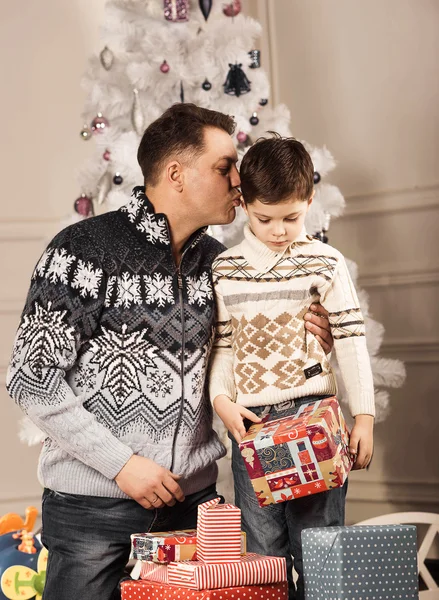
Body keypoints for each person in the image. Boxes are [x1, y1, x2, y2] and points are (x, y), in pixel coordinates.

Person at [6, 105, 333, 600]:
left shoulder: (223, 267)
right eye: (225, 168)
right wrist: (121, 464)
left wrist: (311, 336)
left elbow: (248, 368)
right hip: (94, 510)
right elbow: (31, 378)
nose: (239, 181)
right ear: (176, 174)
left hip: (194, 511)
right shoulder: (82, 252)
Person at [209, 135, 375, 600]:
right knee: (264, 549)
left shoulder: (325, 262)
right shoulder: (225, 270)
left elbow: (349, 337)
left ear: (310, 199)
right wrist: (222, 402)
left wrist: (364, 416)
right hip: (252, 423)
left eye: (292, 217)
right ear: (243, 203)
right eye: (265, 218)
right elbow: (221, 348)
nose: (279, 230)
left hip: (313, 417)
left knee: (320, 545)